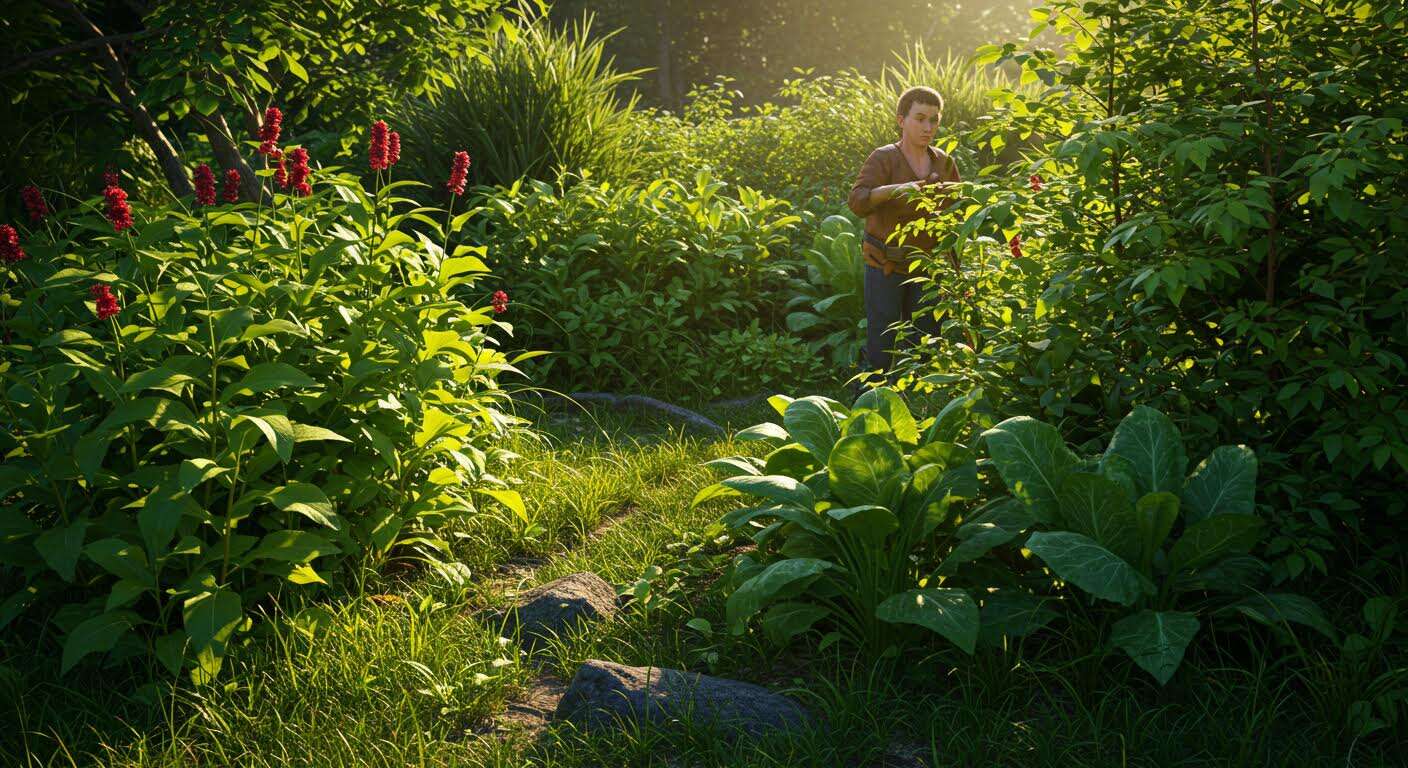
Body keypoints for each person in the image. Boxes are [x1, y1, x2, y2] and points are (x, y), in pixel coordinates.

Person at [847, 85, 961, 390]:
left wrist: (957, 271)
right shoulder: (884, 158)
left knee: (926, 341)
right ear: (901, 120)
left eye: (934, 120)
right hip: (885, 265)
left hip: (927, 269)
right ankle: (868, 401)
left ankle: (918, 401)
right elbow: (857, 201)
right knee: (882, 342)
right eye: (920, 118)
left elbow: (955, 216)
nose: (928, 127)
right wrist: (896, 190)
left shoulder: (944, 163)